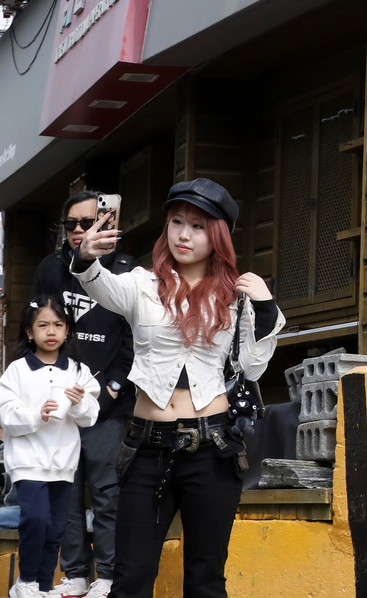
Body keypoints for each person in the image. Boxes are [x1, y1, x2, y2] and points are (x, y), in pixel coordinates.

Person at [70, 178, 284, 598]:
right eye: (177, 222)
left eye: (199, 226)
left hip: (213, 447)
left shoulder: (234, 296)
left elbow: (254, 368)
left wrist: (265, 305)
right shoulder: (141, 285)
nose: (184, 234)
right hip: (147, 447)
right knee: (130, 578)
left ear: (218, 235)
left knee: (205, 580)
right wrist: (85, 257)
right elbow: (97, 283)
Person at [32, 191, 135, 598]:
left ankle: (107, 576)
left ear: (106, 223)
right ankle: (75, 573)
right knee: (66, 491)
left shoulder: (128, 271)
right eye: (71, 224)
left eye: (86, 222)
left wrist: (110, 390)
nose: (78, 231)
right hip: (59, 404)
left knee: (107, 491)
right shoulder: (50, 268)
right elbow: (36, 327)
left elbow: (134, 340)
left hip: (107, 406)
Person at [0, 295, 101, 598]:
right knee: (36, 518)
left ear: (67, 329)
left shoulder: (79, 371)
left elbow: (89, 418)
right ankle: (26, 582)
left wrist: (80, 401)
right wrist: (37, 414)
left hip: (63, 462)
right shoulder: (17, 370)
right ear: (30, 332)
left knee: (56, 528)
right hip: (27, 460)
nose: (51, 331)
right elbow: (6, 414)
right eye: (42, 325)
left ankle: (42, 587)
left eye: (58, 324)